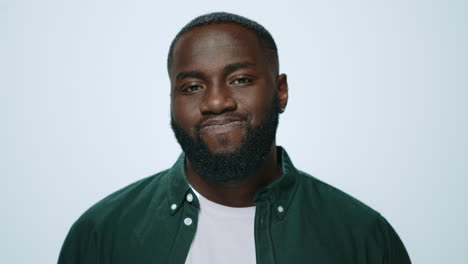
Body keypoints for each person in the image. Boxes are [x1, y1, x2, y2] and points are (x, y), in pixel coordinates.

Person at [58, 12, 411, 264]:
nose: (215, 102)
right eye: (192, 87)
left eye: (240, 79)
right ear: (171, 100)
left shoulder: (362, 237)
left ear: (281, 90)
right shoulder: (102, 233)